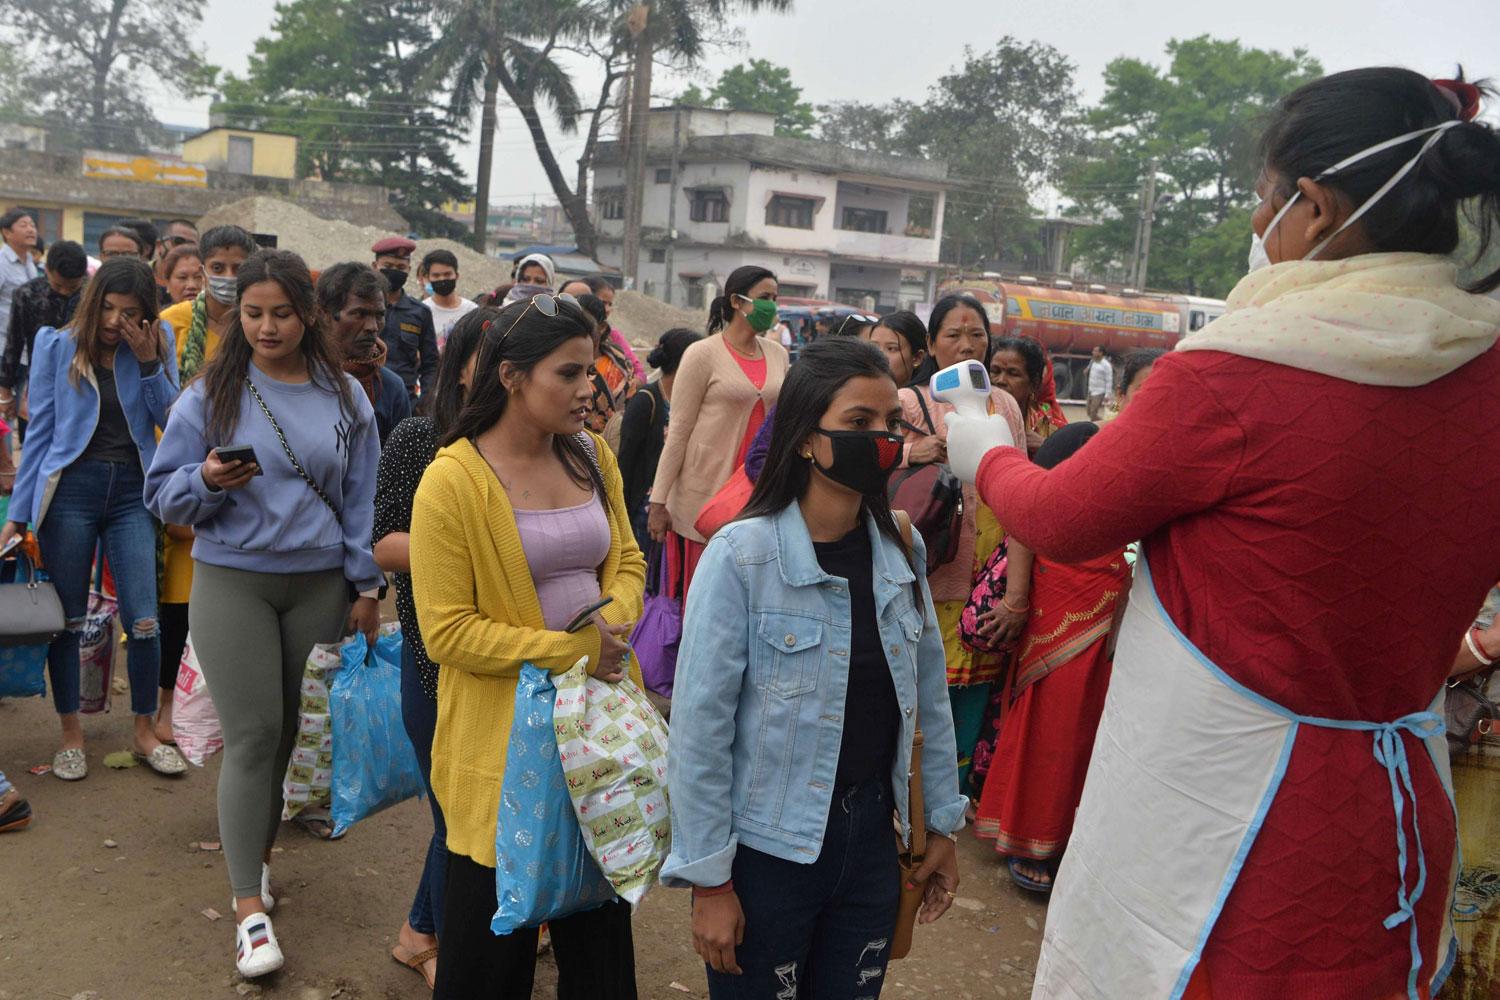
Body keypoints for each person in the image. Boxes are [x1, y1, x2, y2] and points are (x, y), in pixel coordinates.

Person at [942, 68, 1500, 1000]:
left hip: (1234, 831)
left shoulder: (1241, 376)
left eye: (1260, 200)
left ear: (1311, 208)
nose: (1255, 226)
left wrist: (986, 455)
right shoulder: (1485, 373)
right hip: (1397, 811)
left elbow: (1063, 518)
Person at [664, 338, 965, 998]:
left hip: (870, 845)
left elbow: (927, 700)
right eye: (859, 424)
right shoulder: (743, 556)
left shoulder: (898, 550)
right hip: (768, 853)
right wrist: (710, 881)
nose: (881, 440)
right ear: (803, 438)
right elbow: (699, 732)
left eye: (892, 425)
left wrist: (939, 823)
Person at [146, 249, 383, 979]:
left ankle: (260, 858)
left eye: (281, 312)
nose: (267, 326)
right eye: (253, 313)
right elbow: (164, 494)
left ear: (307, 314)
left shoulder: (346, 397)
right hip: (232, 584)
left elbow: (361, 498)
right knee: (252, 735)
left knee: (284, 734)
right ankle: (248, 911)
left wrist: (366, 585)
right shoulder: (209, 394)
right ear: (235, 314)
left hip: (316, 587)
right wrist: (207, 478)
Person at [408, 292, 645, 998]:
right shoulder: (451, 481)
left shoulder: (592, 456)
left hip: (592, 732)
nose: (589, 390)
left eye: (592, 370)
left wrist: (615, 623)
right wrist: (572, 651)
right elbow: (446, 631)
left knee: (600, 948)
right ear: (511, 376)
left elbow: (628, 560)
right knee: (490, 956)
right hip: (502, 747)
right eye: (568, 374)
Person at [2, 257, 184, 781]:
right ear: (92, 300)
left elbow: (172, 421)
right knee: (69, 622)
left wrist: (149, 362)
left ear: (145, 314)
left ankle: (145, 732)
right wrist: (20, 513)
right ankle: (70, 735)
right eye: (106, 308)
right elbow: (39, 435)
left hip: (133, 491)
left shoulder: (159, 341)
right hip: (71, 493)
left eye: (128, 312)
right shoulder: (57, 344)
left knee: (144, 620)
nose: (114, 321)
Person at [373, 307, 491, 991]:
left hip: (509, 663)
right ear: (463, 362)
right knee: (458, 816)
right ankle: (432, 941)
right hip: (435, 657)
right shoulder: (421, 438)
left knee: (475, 813)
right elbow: (386, 542)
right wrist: (463, 553)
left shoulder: (540, 444)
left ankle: (420, 931)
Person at [972, 422, 1128, 894]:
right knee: (1054, 718)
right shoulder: (1079, 437)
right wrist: (1017, 599)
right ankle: (1032, 834)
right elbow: (1026, 516)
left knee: (1097, 725)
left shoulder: (1152, 454)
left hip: (1119, 601)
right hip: (1060, 598)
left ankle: (1074, 838)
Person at [897, 295, 1026, 794]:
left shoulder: (1006, 405)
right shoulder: (911, 403)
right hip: (928, 574)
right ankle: (912, 793)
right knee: (922, 686)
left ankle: (950, 794)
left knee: (975, 686)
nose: (966, 345)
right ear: (930, 344)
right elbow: (869, 463)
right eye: (953, 334)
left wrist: (1015, 591)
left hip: (988, 571)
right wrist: (914, 451)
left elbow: (1018, 490)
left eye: (976, 334)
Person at [154, 225, 259, 742]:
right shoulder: (171, 324)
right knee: (177, 598)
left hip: (245, 481)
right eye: (216, 268)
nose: (226, 279)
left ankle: (221, 711)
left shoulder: (258, 329)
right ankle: (168, 710)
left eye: (238, 268)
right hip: (182, 473)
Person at [648, 265, 789, 595]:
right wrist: (658, 501)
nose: (771, 306)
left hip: (756, 488)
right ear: (737, 302)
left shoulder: (779, 355)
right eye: (764, 298)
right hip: (706, 492)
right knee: (704, 592)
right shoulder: (701, 354)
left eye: (774, 298)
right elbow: (679, 430)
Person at [618, 328, 701, 549]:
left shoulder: (697, 402)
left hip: (679, 510)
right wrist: (620, 517)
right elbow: (625, 462)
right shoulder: (646, 401)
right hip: (644, 514)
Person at [316, 262, 411, 445]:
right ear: (324, 315)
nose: (372, 327)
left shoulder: (391, 389)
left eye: (379, 315)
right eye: (359, 314)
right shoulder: (299, 378)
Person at [0, 239, 87, 438]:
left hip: (83, 382)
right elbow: (14, 343)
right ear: (46, 270)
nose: (65, 292)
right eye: (58, 285)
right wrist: (6, 392)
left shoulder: (93, 295)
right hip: (40, 381)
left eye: (72, 287)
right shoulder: (28, 294)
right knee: (37, 439)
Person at [372, 236, 438, 403]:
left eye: (401, 267)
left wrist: (424, 401)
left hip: (405, 401)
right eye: (387, 266)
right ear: (375, 267)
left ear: (409, 269)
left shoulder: (420, 312)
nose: (394, 271)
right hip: (366, 396)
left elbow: (431, 365)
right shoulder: (363, 307)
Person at [559, 274, 646, 382]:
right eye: (571, 300)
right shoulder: (550, 345)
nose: (608, 309)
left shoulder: (613, 342)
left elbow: (639, 372)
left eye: (609, 304)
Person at [989, 336, 1064, 455]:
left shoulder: (1050, 430)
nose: (1000, 380)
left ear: (1034, 384)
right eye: (995, 371)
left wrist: (1047, 447)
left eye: (1013, 374)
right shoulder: (973, 417)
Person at [419, 248, 478, 350]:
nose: (442, 279)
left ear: (457, 275)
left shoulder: (472, 310)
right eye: (436, 275)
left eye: (447, 274)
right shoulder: (422, 310)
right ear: (428, 278)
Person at [0, 210, 39, 356]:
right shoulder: (2, 263)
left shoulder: (30, 262)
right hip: (3, 347)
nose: (31, 230)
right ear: (7, 232)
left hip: (24, 350)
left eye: (33, 225)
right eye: (23, 225)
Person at [868, 311, 928, 387]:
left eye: (891, 349)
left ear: (917, 357)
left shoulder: (928, 397)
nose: (879, 355)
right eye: (873, 347)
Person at [1084, 345, 1112, 421]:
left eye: (1095, 351)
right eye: (1093, 351)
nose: (1093, 353)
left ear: (1101, 353)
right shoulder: (1092, 361)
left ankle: (1101, 427)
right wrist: (1086, 371)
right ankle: (1103, 424)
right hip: (1091, 390)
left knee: (1093, 413)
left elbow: (1109, 380)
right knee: (1088, 412)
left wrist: (1107, 394)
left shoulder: (1106, 365)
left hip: (1099, 392)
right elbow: (1087, 370)